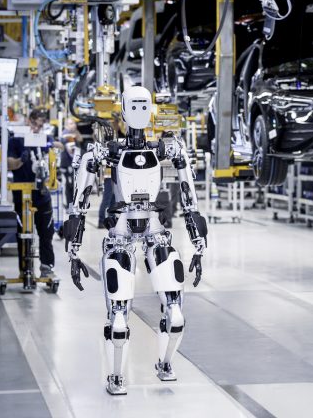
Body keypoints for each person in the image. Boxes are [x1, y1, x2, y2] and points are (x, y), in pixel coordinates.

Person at [64, 86, 207, 396]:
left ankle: (165, 364)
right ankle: (116, 376)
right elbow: (80, 199)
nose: (140, 112)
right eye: (135, 105)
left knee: (176, 314)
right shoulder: (105, 151)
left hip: (156, 230)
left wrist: (198, 238)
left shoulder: (167, 148)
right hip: (120, 234)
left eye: (145, 105)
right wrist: (74, 247)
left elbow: (189, 194)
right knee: (118, 318)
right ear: (125, 110)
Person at [7, 108, 63, 279]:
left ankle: (46, 266)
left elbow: (60, 146)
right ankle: (25, 269)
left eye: (40, 125)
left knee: (46, 233)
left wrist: (51, 145)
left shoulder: (44, 138)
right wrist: (20, 160)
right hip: (22, 195)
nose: (36, 128)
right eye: (34, 124)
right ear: (28, 121)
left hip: (42, 193)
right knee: (23, 234)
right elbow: (9, 164)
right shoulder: (16, 141)